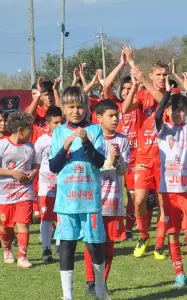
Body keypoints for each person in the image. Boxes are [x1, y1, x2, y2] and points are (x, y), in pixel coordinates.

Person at [49, 87, 107, 299]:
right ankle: (68, 295)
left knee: (95, 246)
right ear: (63, 109)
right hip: (66, 202)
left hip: (90, 201)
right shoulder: (58, 133)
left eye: (80, 106)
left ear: (87, 108)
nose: (76, 111)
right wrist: (64, 148)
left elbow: (100, 161)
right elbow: (54, 166)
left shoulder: (96, 130)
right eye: (71, 107)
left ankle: (100, 290)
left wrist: (85, 141)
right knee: (67, 247)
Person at [156, 73, 187, 288]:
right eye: (174, 109)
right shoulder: (163, 130)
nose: (178, 113)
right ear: (168, 111)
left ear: (186, 112)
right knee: (173, 232)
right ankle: (178, 272)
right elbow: (156, 116)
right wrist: (166, 93)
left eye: (182, 109)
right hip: (169, 190)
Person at [123, 58, 169, 259]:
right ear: (151, 75)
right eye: (158, 74)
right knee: (139, 200)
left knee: (162, 202)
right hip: (143, 158)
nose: (161, 78)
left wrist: (144, 81)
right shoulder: (142, 95)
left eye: (164, 74)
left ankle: (159, 244)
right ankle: (143, 236)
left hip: (165, 159)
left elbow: (162, 100)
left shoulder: (171, 95)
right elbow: (124, 109)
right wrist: (134, 85)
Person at [84, 99, 130, 297]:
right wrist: (109, 161)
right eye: (111, 116)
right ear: (99, 118)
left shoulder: (123, 140)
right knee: (93, 243)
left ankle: (102, 282)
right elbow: (90, 168)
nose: (115, 119)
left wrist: (118, 161)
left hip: (114, 201)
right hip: (93, 200)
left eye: (117, 115)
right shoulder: (92, 138)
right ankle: (90, 282)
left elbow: (122, 172)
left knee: (109, 247)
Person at [102, 47, 140, 243]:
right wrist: (122, 64)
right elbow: (106, 83)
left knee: (134, 196)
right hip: (115, 157)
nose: (126, 92)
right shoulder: (113, 106)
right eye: (124, 89)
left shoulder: (139, 104)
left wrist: (136, 83)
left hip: (135, 158)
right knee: (113, 191)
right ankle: (113, 224)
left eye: (129, 89)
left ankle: (130, 228)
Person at [0, 110, 36, 268]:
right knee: (6, 227)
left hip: (24, 192)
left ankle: (22, 257)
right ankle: (7, 249)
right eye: (30, 129)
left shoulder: (30, 146)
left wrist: (34, 172)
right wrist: (11, 173)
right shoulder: (3, 145)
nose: (32, 132)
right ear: (20, 130)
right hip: (4, 194)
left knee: (23, 223)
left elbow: (34, 165)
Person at [26, 76, 61, 220]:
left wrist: (56, 90)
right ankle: (38, 213)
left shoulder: (56, 113)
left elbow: (62, 112)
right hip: (37, 157)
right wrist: (38, 94)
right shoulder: (37, 111)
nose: (50, 97)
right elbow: (27, 117)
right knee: (37, 188)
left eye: (51, 94)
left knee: (55, 189)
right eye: (47, 95)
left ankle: (49, 218)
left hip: (56, 157)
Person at [34, 107, 64, 263]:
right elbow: (37, 164)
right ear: (48, 123)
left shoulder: (68, 138)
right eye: (55, 122)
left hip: (64, 184)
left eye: (61, 122)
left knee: (61, 216)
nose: (59, 125)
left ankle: (59, 246)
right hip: (46, 184)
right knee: (46, 218)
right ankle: (46, 249)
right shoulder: (41, 141)